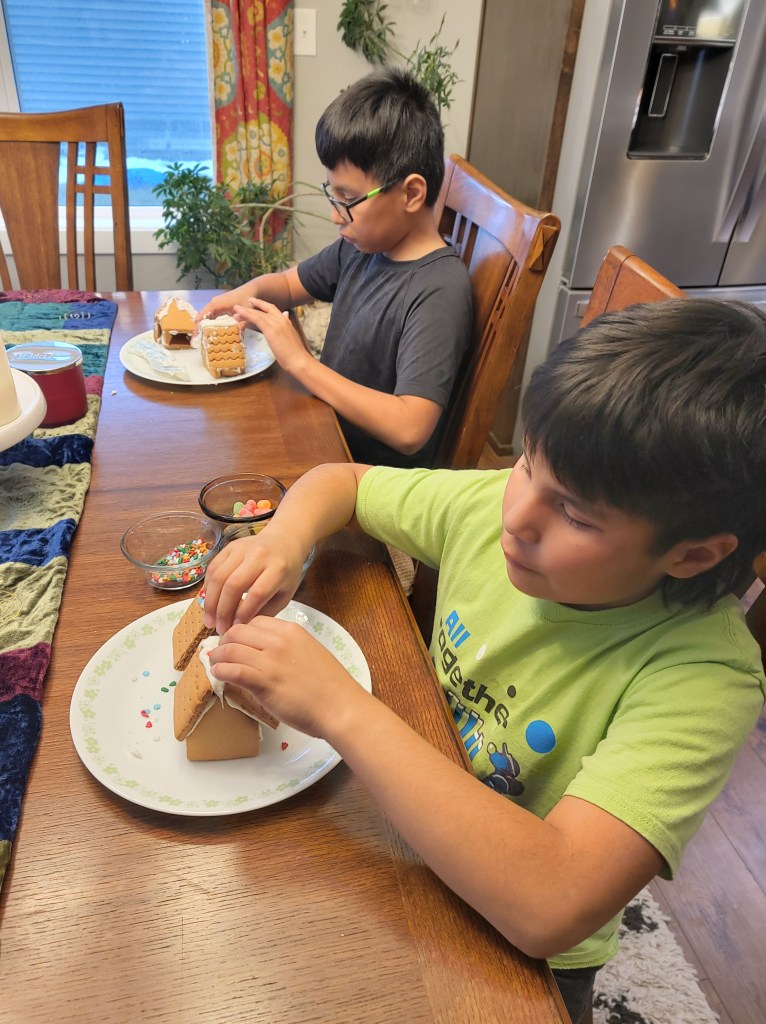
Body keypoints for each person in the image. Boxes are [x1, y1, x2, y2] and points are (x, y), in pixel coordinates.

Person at [201, 299, 766, 1024]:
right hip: (409, 811)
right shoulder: (494, 503)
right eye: (527, 463)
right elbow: (339, 483)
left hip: (520, 957)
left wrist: (340, 707)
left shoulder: (704, 679)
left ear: (692, 555)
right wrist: (281, 543)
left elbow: (550, 903)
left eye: (577, 516)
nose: (518, 515)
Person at [199, 67, 473, 468]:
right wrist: (243, 297)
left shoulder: (439, 289)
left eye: (347, 198)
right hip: (324, 436)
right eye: (333, 193)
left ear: (411, 193)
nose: (334, 215)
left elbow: (410, 429)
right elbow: (289, 285)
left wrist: (301, 363)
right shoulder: (363, 246)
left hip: (367, 482)